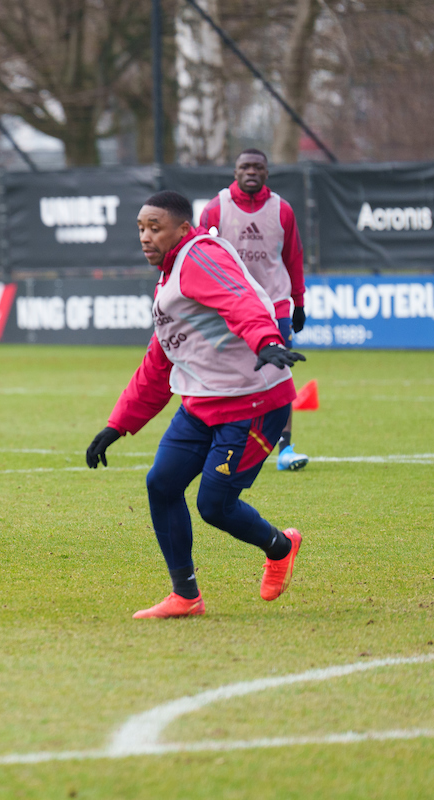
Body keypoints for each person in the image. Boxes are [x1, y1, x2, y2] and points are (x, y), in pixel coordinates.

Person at [85, 191, 305, 619]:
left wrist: (268, 340)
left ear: (183, 229)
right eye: (141, 229)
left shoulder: (199, 257)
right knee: (162, 484)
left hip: (253, 402)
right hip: (203, 404)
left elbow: (240, 299)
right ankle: (186, 595)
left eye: (155, 228)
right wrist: (117, 425)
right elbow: (159, 362)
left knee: (214, 506)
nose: (146, 237)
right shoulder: (169, 279)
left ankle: (281, 546)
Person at [199, 149, 309, 471]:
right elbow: (201, 259)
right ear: (235, 171)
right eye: (244, 166)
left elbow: (294, 258)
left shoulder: (282, 210)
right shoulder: (216, 209)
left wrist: (298, 303)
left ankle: (285, 450)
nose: (251, 171)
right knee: (224, 374)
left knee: (280, 375)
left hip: (275, 305)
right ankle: (223, 442)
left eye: (257, 167)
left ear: (266, 172)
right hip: (231, 305)